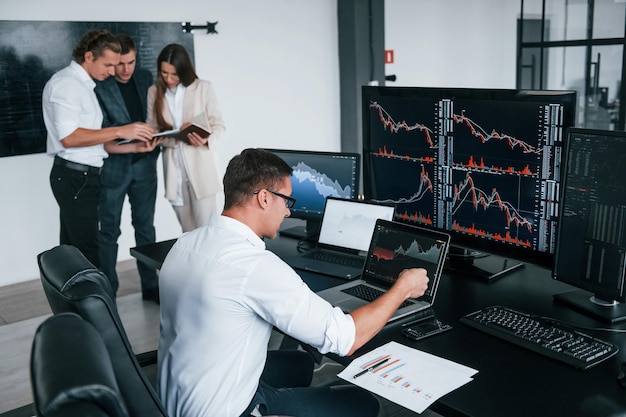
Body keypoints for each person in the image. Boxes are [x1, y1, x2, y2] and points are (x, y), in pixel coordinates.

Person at [157, 148, 430, 417]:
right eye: (287, 201)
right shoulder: (255, 267)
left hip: (179, 396)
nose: (288, 212)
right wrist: (402, 287)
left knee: (300, 363)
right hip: (228, 409)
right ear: (264, 198)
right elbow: (346, 339)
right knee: (361, 403)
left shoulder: (185, 243)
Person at [43, 29, 154, 268]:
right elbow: (69, 138)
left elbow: (92, 141)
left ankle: (78, 306)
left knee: (74, 252)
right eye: (109, 64)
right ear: (89, 56)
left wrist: (133, 147)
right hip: (75, 176)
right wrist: (121, 130)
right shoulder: (67, 84)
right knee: (88, 254)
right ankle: (96, 306)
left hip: (83, 175)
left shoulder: (85, 85)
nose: (114, 71)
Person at [94, 33, 161, 302]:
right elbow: (97, 129)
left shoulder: (145, 77)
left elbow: (154, 114)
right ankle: (108, 290)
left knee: (146, 228)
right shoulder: (100, 85)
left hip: (145, 165)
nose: (125, 69)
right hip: (113, 166)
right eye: (119, 63)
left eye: (130, 62)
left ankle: (150, 285)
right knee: (109, 231)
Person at [147, 43, 226, 233]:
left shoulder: (203, 88)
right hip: (175, 171)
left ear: (184, 70)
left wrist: (206, 140)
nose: (169, 78)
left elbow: (219, 125)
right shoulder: (154, 92)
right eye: (164, 73)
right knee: (188, 232)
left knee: (207, 231)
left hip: (201, 168)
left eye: (174, 74)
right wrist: (172, 136)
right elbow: (152, 130)